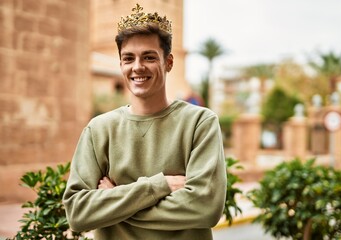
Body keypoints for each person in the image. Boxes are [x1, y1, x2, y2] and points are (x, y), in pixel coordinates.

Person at [63, 4, 227, 240]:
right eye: (128, 58)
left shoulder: (200, 123)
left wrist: (116, 199)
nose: (137, 66)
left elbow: (206, 208)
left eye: (149, 57)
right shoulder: (98, 130)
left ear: (168, 62)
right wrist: (156, 187)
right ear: (121, 64)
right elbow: (78, 213)